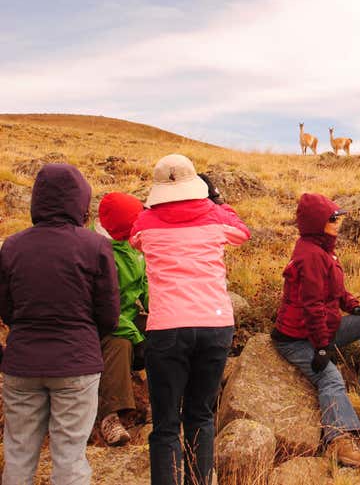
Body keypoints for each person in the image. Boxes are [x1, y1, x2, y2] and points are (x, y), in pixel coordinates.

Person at [130, 156, 250, 485]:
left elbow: (133, 239)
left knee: (167, 424)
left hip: (167, 327)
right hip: (214, 325)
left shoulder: (146, 221)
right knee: (201, 415)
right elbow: (242, 232)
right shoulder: (214, 216)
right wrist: (216, 201)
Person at [0, 163, 120, 484]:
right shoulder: (96, 246)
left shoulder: (12, 246)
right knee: (69, 455)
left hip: (22, 363)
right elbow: (109, 315)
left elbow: (7, 310)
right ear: (80, 201)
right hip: (76, 363)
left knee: (19, 452)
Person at [271, 192, 360, 468]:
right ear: (317, 222)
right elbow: (311, 306)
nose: (339, 222)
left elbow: (333, 290)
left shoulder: (321, 248)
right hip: (297, 338)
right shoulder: (312, 255)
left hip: (319, 329)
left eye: (338, 217)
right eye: (333, 218)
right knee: (331, 379)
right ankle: (339, 442)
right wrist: (322, 347)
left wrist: (354, 307)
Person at [94, 192, 149, 446]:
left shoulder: (133, 245)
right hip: (105, 323)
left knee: (167, 331)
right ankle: (110, 417)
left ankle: (170, 401)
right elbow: (106, 310)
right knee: (120, 343)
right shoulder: (99, 254)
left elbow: (146, 282)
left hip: (127, 316)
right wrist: (137, 336)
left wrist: (159, 312)